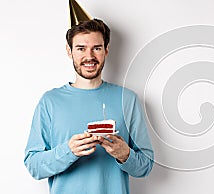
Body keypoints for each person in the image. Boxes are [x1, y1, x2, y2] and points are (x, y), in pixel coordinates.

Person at [23, 2, 153, 193]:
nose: (89, 56)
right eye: (81, 48)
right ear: (70, 51)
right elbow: (33, 166)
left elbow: (145, 167)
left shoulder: (127, 99)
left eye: (97, 48)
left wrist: (125, 155)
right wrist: (69, 151)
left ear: (106, 50)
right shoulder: (50, 101)